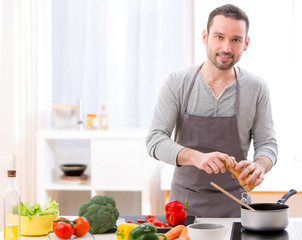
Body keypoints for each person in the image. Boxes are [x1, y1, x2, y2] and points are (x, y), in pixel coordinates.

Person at [145, 4, 277, 217]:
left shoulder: (257, 88)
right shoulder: (177, 83)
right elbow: (154, 140)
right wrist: (196, 157)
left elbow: (267, 144)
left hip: (236, 205)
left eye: (236, 40)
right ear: (205, 36)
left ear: (246, 43)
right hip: (183, 206)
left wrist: (260, 165)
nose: (226, 47)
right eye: (219, 37)